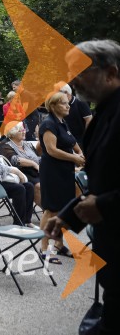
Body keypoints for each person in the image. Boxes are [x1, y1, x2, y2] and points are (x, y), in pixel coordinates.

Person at [46, 40, 120, 334]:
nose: (73, 79)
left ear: (111, 73)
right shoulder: (104, 110)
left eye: (80, 71)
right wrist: (69, 215)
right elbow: (102, 179)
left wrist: (103, 206)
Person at [37, 91, 85, 260]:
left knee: (63, 209)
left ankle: (58, 244)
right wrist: (74, 157)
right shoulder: (48, 124)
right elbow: (51, 150)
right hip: (53, 172)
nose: (68, 105)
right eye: (64, 103)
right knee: (51, 210)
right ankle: (43, 249)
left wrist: (81, 154)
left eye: (68, 103)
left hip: (65, 171)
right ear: (53, 106)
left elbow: (72, 142)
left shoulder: (63, 123)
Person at [0, 128, 34, 226]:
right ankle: (19, 223)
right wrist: (16, 171)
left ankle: (27, 220)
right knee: (19, 189)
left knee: (28, 186)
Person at [0, 121, 42, 205]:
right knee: (39, 186)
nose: (24, 132)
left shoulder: (27, 144)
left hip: (36, 172)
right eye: (21, 130)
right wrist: (34, 164)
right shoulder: (5, 144)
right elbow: (15, 160)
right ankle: (49, 212)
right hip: (21, 173)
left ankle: (55, 210)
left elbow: (38, 158)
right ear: (13, 133)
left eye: (24, 130)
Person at [58, 84, 92, 148]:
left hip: (80, 140)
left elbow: (89, 120)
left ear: (66, 93)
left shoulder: (80, 102)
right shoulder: (61, 104)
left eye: (58, 93)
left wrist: (86, 137)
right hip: (67, 139)